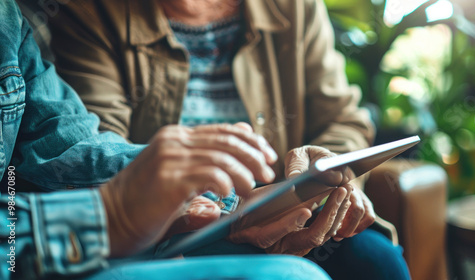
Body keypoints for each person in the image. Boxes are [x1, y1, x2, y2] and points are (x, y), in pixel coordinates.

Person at [47, 0, 411, 279]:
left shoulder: (292, 7)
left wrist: (328, 175)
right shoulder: (90, 14)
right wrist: (232, 209)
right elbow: (97, 154)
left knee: (378, 262)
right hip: (178, 228)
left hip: (290, 207)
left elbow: (342, 119)